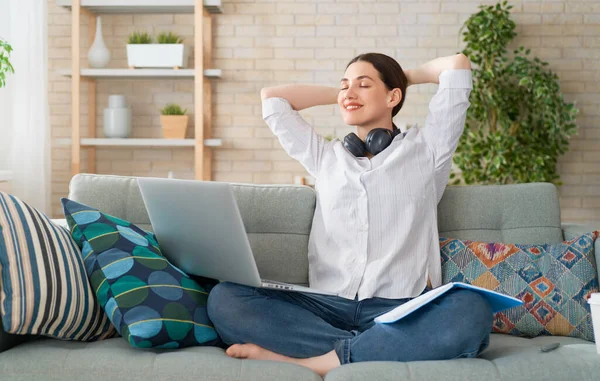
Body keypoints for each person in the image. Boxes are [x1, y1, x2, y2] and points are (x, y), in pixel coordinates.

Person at [206, 53, 493, 376]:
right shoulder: (325, 156)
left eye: (364, 84)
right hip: (325, 305)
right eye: (345, 86)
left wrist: (402, 77)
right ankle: (377, 347)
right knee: (224, 298)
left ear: (393, 96)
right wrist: (346, 95)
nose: (349, 92)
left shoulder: (428, 151)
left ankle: (316, 362)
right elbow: (273, 99)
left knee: (471, 311)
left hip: (399, 307)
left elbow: (457, 65)